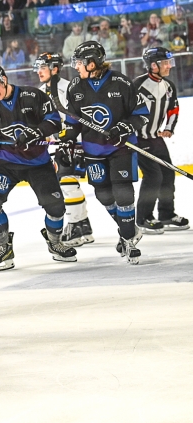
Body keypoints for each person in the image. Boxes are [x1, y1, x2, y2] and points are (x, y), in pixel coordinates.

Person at [0, 63, 76, 272]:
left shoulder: (33, 96)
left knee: (56, 208)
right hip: (7, 163)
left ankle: (55, 242)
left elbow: (55, 122)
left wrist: (35, 132)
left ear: (3, 79)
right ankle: (4, 248)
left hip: (38, 163)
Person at [60, 41, 150, 264]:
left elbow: (141, 114)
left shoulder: (121, 82)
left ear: (92, 63)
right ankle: (128, 228)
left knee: (123, 192)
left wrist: (124, 127)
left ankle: (128, 239)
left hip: (122, 148)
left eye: (80, 63)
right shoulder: (75, 87)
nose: (76, 67)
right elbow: (72, 122)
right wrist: (67, 143)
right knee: (103, 194)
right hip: (93, 150)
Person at [33, 52, 95, 246]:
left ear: (55, 68)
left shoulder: (68, 87)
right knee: (68, 184)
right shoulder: (39, 92)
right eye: (38, 68)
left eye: (43, 67)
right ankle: (83, 225)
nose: (39, 72)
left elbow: (81, 116)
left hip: (73, 142)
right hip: (57, 145)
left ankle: (76, 226)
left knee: (67, 183)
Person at [133, 47, 188, 233]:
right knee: (153, 176)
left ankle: (166, 214)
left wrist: (168, 128)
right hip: (139, 139)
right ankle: (143, 218)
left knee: (168, 174)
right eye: (165, 63)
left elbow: (173, 109)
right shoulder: (137, 85)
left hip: (156, 138)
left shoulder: (168, 86)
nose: (169, 66)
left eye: (169, 62)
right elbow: (125, 110)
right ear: (153, 65)